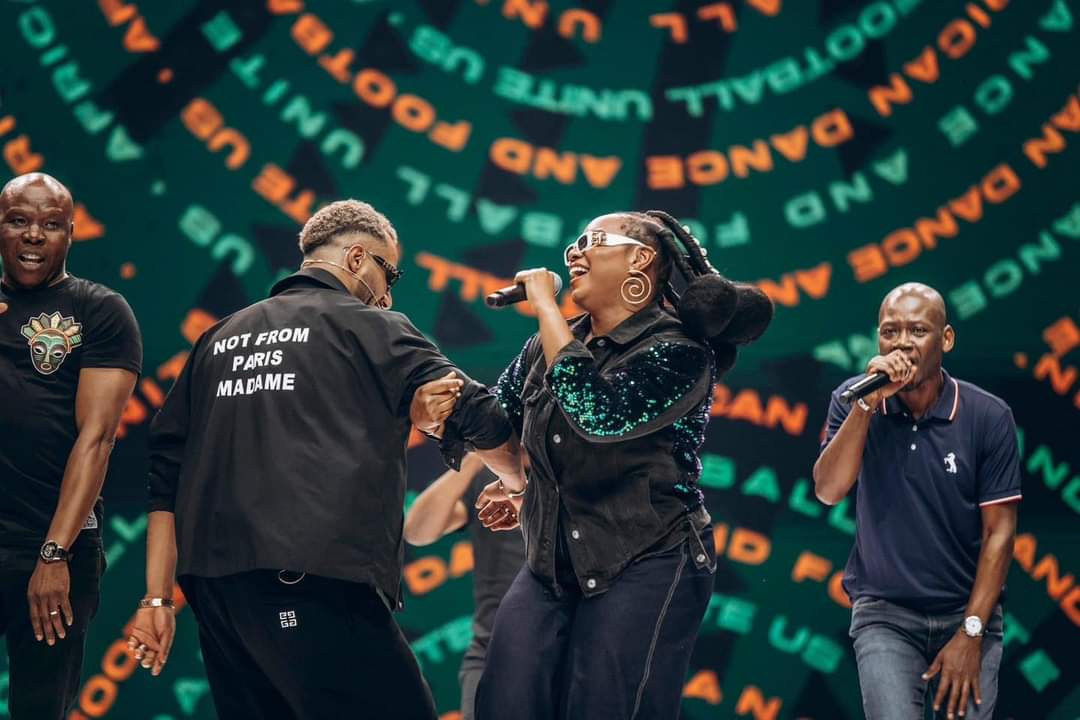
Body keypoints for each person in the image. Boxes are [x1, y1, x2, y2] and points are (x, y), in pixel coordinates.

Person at [127, 200, 520, 720]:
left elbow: (164, 477)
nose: (389, 294)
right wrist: (517, 484)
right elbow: (480, 414)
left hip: (218, 598)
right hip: (312, 583)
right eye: (390, 273)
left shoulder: (215, 340)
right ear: (358, 258)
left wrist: (157, 599)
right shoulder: (366, 326)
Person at [469, 211, 773, 719]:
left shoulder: (680, 352)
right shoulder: (550, 341)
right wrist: (512, 476)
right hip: (553, 561)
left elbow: (598, 416)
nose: (574, 254)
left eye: (590, 241)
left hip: (647, 556)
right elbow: (499, 418)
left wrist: (544, 305)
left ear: (641, 259)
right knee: (505, 701)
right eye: (572, 246)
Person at [813, 282, 1021, 720]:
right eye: (890, 331)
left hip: (966, 612)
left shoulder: (987, 415)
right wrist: (866, 407)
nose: (902, 343)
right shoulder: (854, 400)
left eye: (917, 330)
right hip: (885, 613)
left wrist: (971, 632)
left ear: (945, 339)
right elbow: (828, 491)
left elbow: (999, 533)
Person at [0, 173, 142, 719]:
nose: (34, 235)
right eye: (19, 220)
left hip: (53, 550)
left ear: (70, 234)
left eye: (50, 224)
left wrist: (53, 553)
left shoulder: (100, 310)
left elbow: (98, 438)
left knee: (39, 710)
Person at [403, 452, 526, 720]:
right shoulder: (487, 476)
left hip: (575, 643)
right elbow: (417, 530)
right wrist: (479, 456)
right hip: (495, 652)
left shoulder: (575, 466)